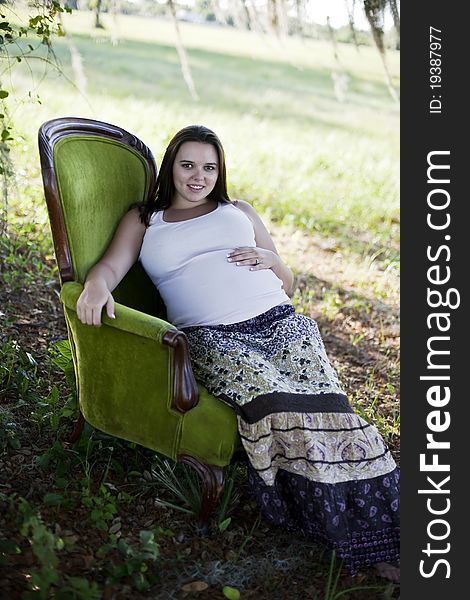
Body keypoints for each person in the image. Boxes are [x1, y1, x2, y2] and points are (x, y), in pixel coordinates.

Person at [76, 125, 400, 582]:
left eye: (209, 167)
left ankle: (391, 532)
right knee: (280, 410)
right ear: (171, 166)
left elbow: (287, 283)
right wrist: (94, 285)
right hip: (214, 336)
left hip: (280, 322)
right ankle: (350, 537)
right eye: (187, 165)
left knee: (335, 414)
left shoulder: (238, 211)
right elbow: (110, 266)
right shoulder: (146, 220)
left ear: (219, 171)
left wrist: (274, 263)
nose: (198, 177)